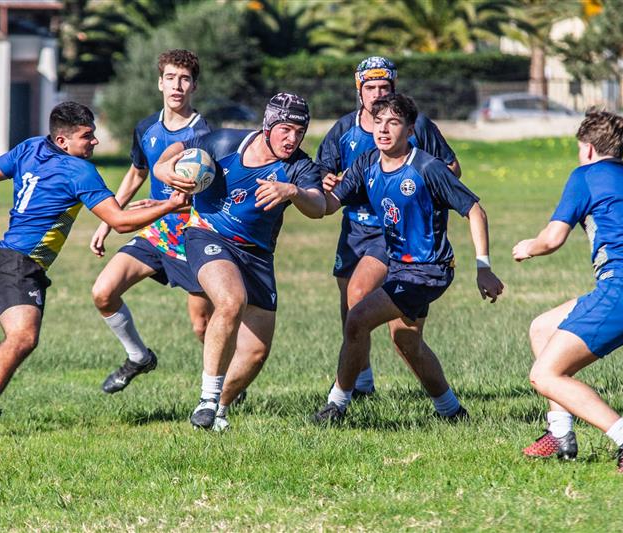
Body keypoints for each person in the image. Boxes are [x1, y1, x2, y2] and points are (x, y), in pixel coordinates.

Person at [0, 102, 189, 432]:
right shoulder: (79, 172)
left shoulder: (31, 147)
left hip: (7, 260)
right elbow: (119, 222)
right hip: (19, 264)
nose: (95, 143)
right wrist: (170, 206)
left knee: (16, 339)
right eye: (87, 136)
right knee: (22, 338)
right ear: (63, 142)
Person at [313, 93, 504, 424]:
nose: (383, 129)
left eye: (394, 122)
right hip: (397, 264)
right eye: (379, 122)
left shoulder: (427, 168)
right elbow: (329, 205)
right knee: (407, 342)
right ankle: (452, 412)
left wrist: (483, 267)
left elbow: (475, 210)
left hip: (428, 269)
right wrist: (299, 193)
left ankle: (336, 405)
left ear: (411, 129)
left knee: (357, 318)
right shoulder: (367, 163)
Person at [154, 93, 326, 431]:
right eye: (285, 129)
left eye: (299, 132)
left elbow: (318, 206)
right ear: (268, 125)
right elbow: (178, 149)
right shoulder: (225, 141)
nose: (292, 138)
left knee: (255, 352)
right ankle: (207, 397)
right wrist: (163, 169)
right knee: (231, 301)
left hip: (258, 254)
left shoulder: (299, 167)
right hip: (208, 235)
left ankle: (218, 409)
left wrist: (293, 192)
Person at [513, 110, 623, 473]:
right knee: (542, 327)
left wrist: (528, 247)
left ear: (587, 148)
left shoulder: (586, 176)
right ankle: (560, 433)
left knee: (545, 376)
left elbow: (552, 239)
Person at [316, 56, 461, 398]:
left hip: (394, 229)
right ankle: (363, 381)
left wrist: (422, 187)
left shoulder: (416, 125)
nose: (378, 93)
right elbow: (322, 170)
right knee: (351, 305)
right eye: (371, 88)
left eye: (385, 87)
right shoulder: (344, 129)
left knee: (361, 298)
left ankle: (343, 395)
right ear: (359, 90)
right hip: (353, 229)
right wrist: (325, 180)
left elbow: (451, 167)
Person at [89, 49, 212, 394]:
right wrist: (108, 221)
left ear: (194, 86)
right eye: (171, 78)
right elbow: (135, 174)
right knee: (103, 292)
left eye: (185, 79)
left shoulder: (205, 135)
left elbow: (207, 192)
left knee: (202, 326)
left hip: (193, 236)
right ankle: (138, 357)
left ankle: (223, 383)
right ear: (160, 83)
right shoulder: (146, 128)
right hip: (155, 231)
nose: (177, 86)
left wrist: (170, 204)